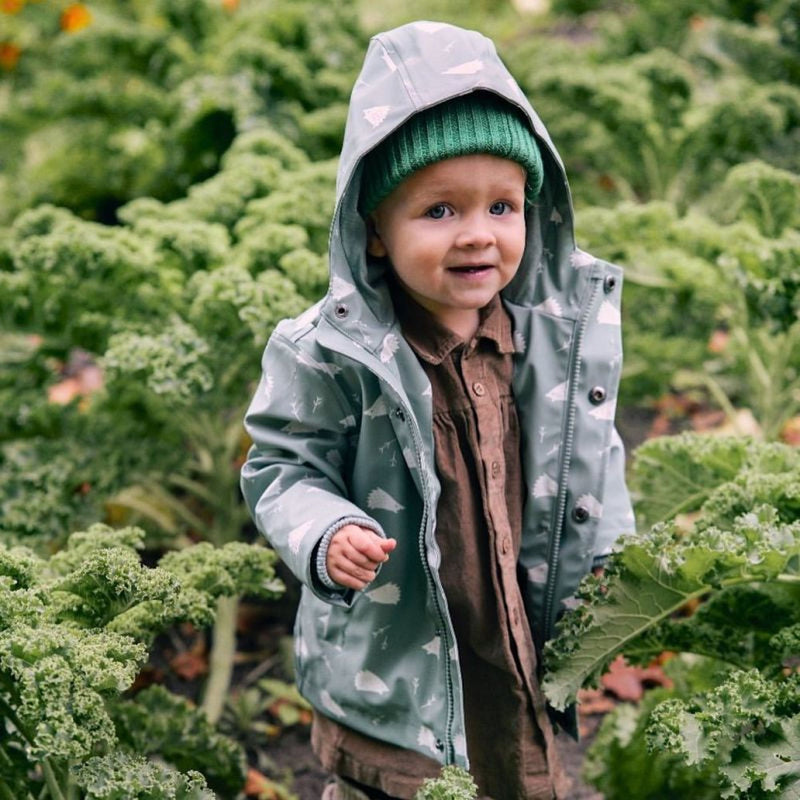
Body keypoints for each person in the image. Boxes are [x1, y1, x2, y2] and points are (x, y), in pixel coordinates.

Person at [240, 20, 634, 800]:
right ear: (375, 232)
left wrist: (614, 568)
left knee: (514, 767)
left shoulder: (552, 335)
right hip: (397, 654)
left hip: (515, 633)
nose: (479, 235)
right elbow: (282, 467)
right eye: (440, 212)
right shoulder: (331, 353)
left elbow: (594, 451)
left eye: (502, 205)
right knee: (399, 784)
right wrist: (325, 532)